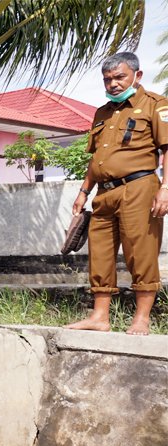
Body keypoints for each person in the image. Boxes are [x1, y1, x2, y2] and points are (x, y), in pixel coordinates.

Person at [67, 52, 168, 336]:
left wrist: (165, 188)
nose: (112, 84)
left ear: (138, 75)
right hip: (104, 192)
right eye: (107, 79)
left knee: (140, 251)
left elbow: (167, 149)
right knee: (99, 252)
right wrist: (83, 191)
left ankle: (142, 319)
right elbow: (96, 156)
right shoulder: (102, 113)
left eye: (119, 77)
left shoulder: (156, 106)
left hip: (139, 187)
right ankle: (100, 317)